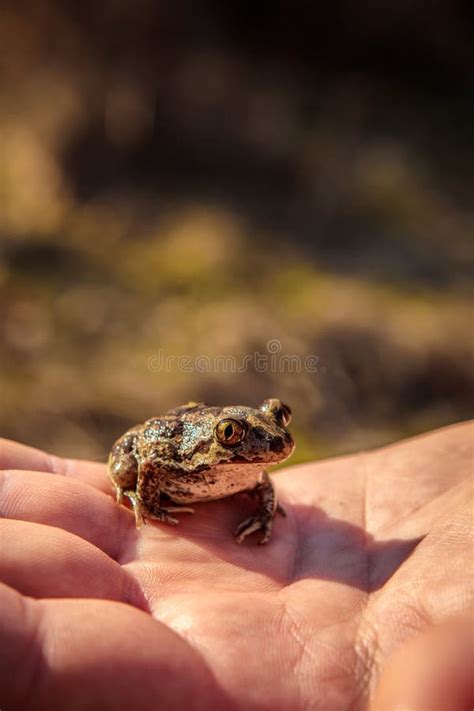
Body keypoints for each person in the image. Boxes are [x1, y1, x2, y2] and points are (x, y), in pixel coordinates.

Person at [0, 421, 472, 710]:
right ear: (217, 440)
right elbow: (145, 460)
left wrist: (263, 513)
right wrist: (142, 498)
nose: (275, 440)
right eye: (233, 435)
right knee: (126, 461)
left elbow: (262, 481)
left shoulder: (252, 471)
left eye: (279, 420)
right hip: (157, 445)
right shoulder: (187, 459)